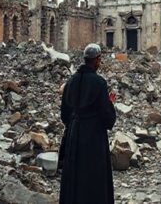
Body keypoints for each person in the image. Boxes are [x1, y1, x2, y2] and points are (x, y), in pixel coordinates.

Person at [59, 43, 117, 204]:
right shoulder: (99, 83)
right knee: (93, 176)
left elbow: (64, 114)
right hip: (94, 137)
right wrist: (110, 103)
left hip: (74, 134)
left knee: (74, 175)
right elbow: (106, 116)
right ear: (97, 60)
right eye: (100, 59)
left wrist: (74, 124)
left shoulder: (71, 81)